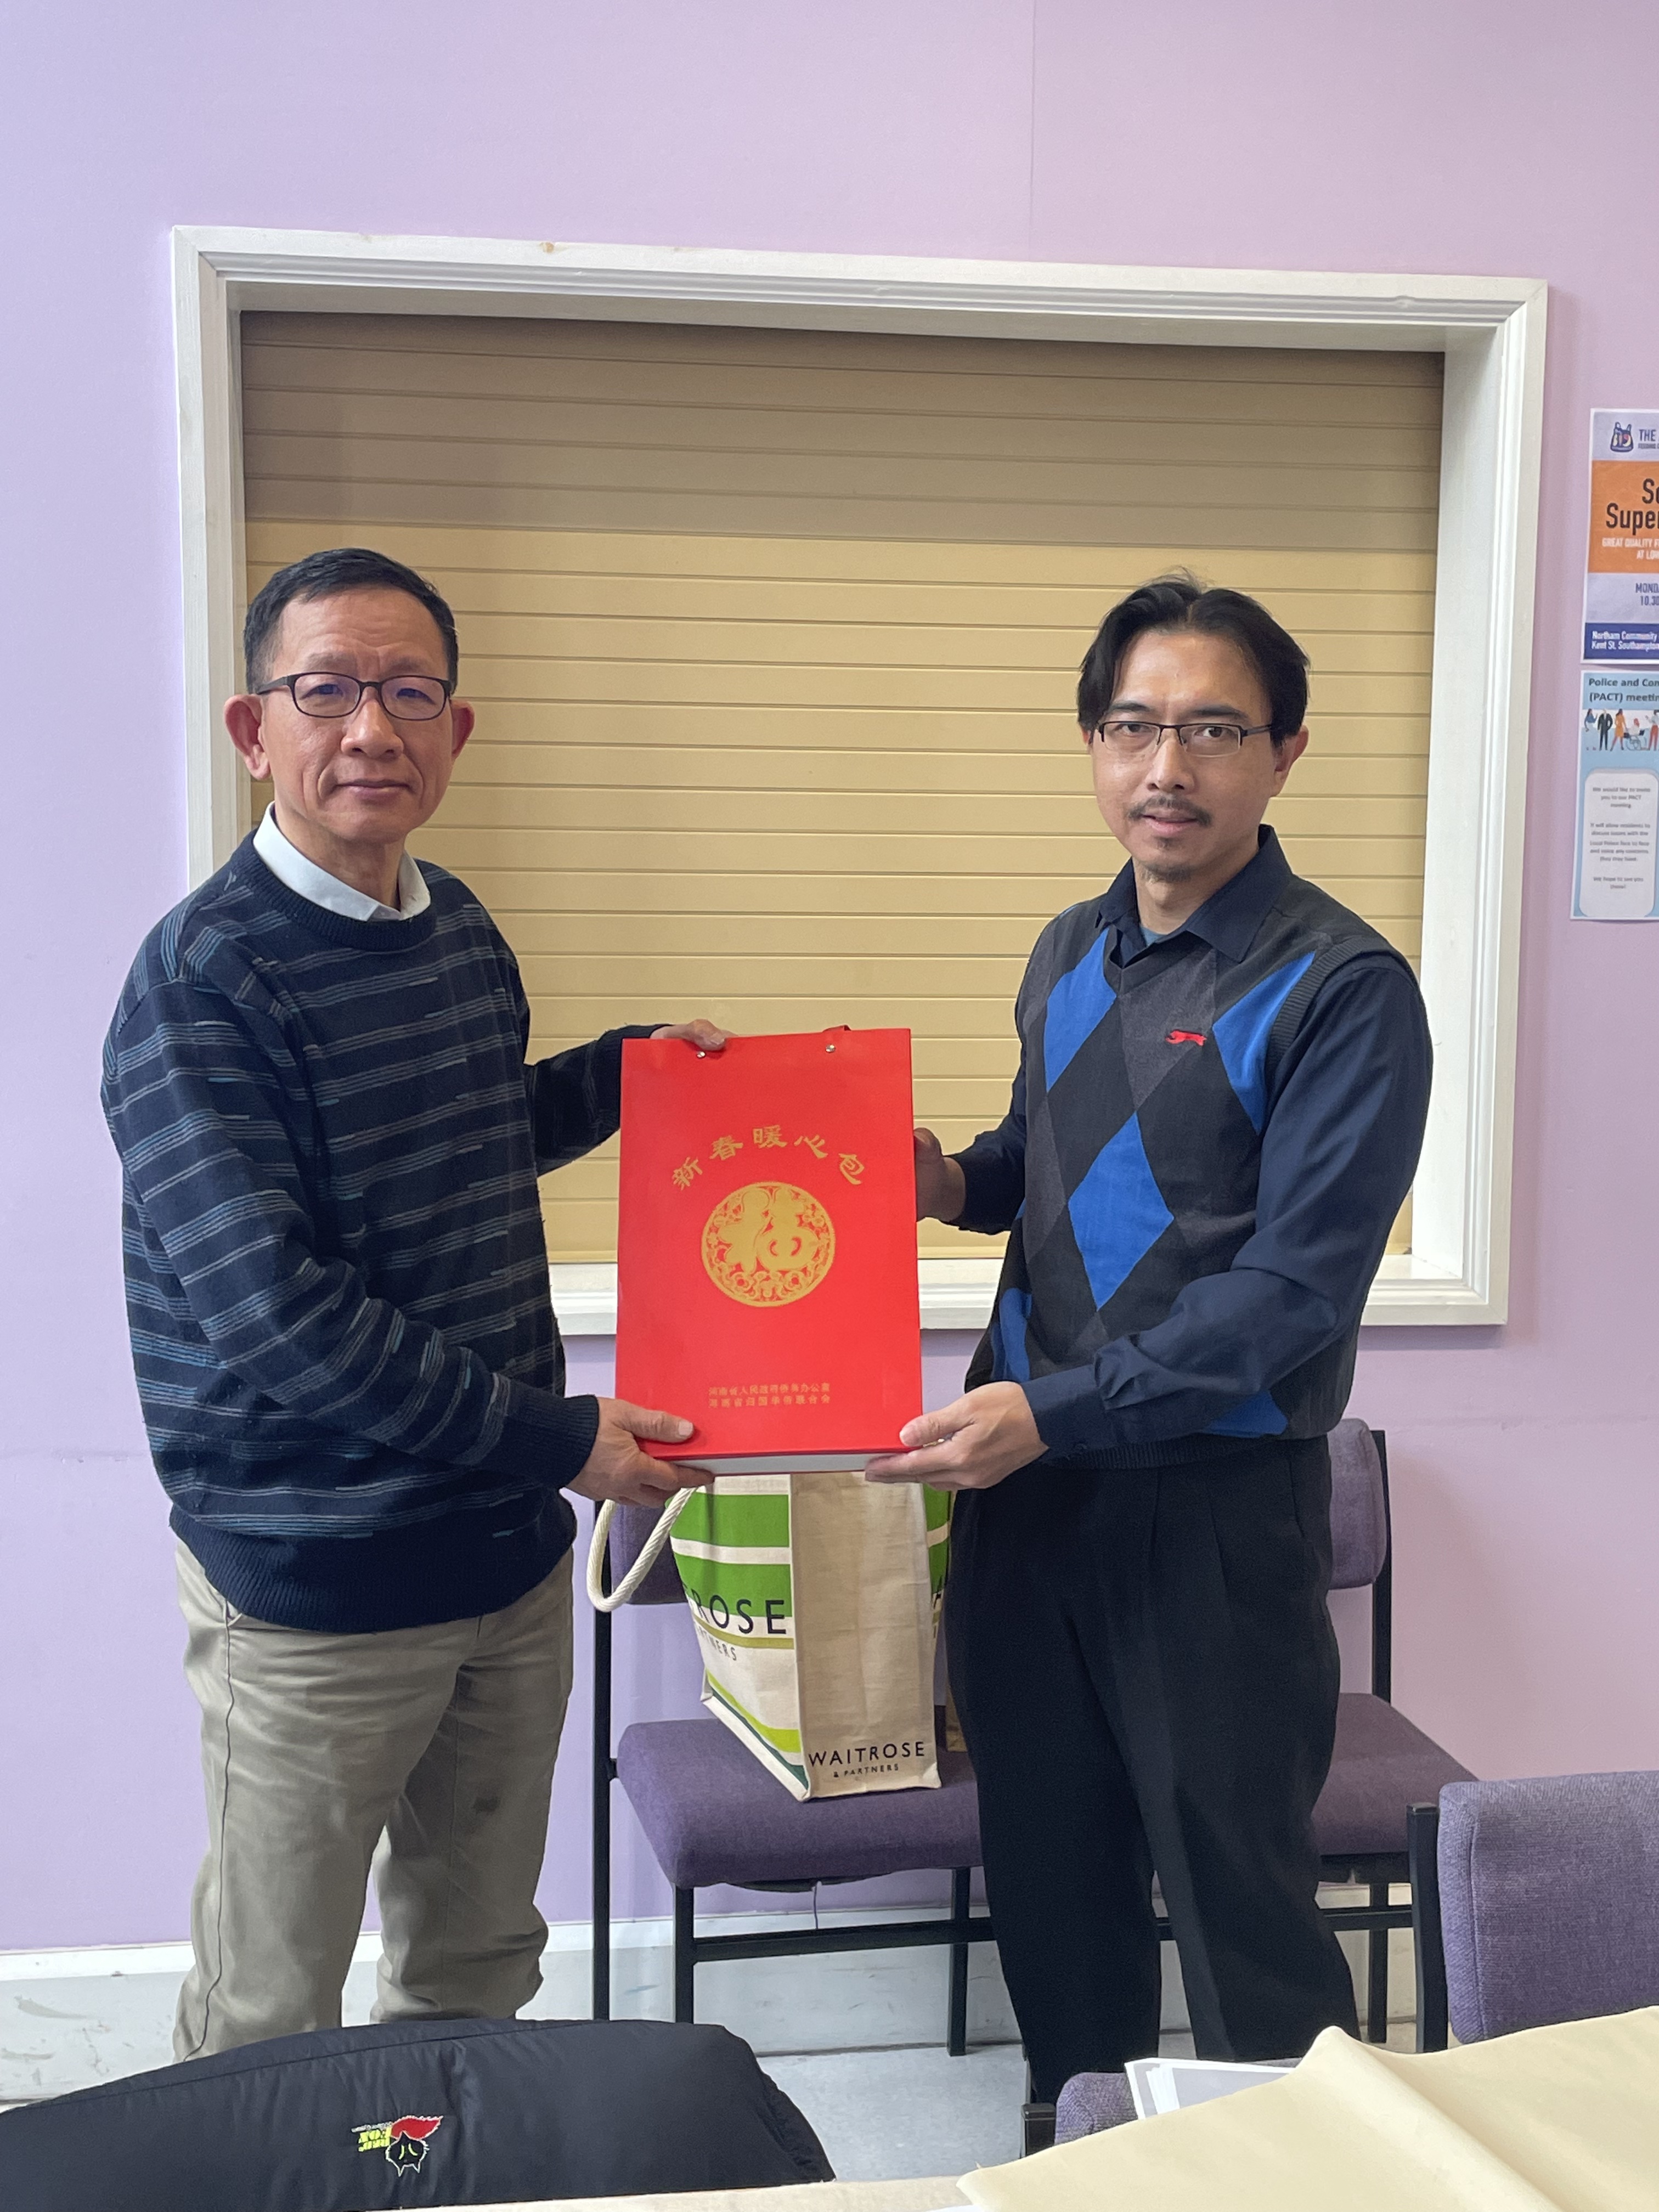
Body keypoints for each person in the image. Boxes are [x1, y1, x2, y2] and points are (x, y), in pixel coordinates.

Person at [102, 546, 723, 2058]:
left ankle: (434, 2168)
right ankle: (272, 2175)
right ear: (256, 730)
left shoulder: (457, 930)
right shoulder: (200, 983)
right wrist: (562, 1442)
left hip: (502, 1564)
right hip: (316, 1591)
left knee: (477, 1969)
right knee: (269, 2010)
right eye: (327, 691)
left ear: (457, 731)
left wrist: (632, 1075)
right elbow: (280, 1317)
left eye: (409, 693)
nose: (371, 729)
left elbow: (467, 1138)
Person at [866, 575, 1432, 2100]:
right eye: (1134, 727)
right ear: (1094, 744)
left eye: (1213, 730)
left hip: (1213, 1517)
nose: (1166, 767)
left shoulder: (1343, 987)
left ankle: (1301, 2183)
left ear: (1286, 751)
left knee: (1242, 1909)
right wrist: (947, 1183)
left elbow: (1295, 1293)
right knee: (1052, 1891)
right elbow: (1041, 1166)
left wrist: (1053, 1411)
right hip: (1027, 1504)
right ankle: (1086, 2163)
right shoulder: (1070, 947)